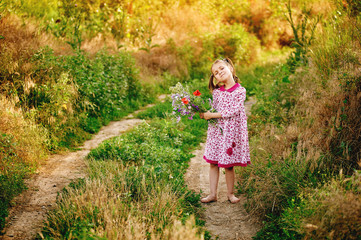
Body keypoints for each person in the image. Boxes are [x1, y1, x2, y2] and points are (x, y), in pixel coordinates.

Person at [199, 57, 251, 204]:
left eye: (222, 68)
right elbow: (215, 109)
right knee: (213, 163)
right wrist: (204, 113)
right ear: (215, 78)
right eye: (216, 72)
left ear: (231, 69)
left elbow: (232, 111)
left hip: (230, 132)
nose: (219, 72)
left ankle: (230, 194)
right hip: (217, 132)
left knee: (228, 165)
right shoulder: (217, 92)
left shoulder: (240, 91)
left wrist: (212, 115)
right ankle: (213, 194)